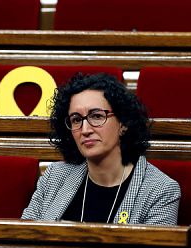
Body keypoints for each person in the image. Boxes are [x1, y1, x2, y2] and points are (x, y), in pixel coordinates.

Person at [21, 72, 180, 225]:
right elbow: (24, 241)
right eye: (76, 120)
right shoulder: (54, 177)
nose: (85, 130)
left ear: (123, 123)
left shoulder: (160, 190)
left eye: (97, 116)